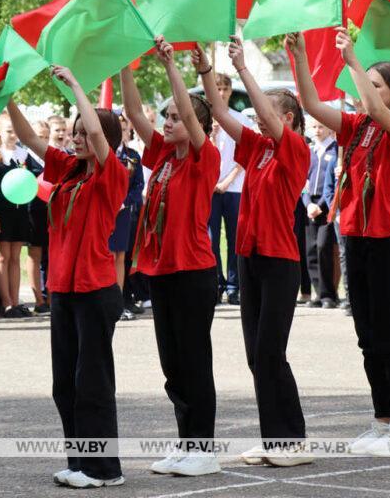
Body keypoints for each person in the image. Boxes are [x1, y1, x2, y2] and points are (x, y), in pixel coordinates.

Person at [288, 29, 390, 456]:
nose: (369, 90)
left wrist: (354, 61)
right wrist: (301, 57)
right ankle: (382, 421)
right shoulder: (358, 127)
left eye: (378, 85)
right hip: (358, 236)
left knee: (389, 333)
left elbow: (372, 106)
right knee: (366, 334)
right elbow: (310, 104)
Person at [6, 65, 127, 489]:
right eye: (71, 133)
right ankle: (80, 463)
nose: (74, 139)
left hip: (96, 291)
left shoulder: (113, 174)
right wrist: (6, 98)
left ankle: (104, 469)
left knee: (92, 383)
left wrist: (78, 85)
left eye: (80, 133)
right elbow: (29, 138)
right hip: (64, 291)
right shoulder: (69, 170)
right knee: (65, 384)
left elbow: (97, 134)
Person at [198, 38, 311, 467]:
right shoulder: (258, 148)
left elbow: (261, 112)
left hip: (280, 261)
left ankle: (292, 441)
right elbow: (222, 113)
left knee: (269, 353)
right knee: (255, 355)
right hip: (249, 257)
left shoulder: (294, 150)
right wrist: (208, 72)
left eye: (269, 115)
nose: (260, 120)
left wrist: (244, 68)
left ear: (286, 118)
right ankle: (274, 440)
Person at [121, 36, 221, 476]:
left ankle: (204, 448)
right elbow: (131, 111)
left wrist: (171, 67)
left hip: (194, 271)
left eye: (176, 117)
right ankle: (186, 444)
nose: (166, 121)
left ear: (196, 126)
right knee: (172, 364)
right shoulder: (161, 156)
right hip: (160, 269)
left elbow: (195, 113)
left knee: (195, 361)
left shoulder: (205, 156)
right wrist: (122, 62)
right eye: (165, 115)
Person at [0, 115, 42, 317]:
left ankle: (16, 302)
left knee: (15, 257)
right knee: (2, 257)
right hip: (0, 213)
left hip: (20, 212)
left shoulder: (23, 155)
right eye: (8, 130)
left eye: (15, 130)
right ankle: (5, 303)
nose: (13, 134)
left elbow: (37, 175)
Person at [208, 72, 251, 305]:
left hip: (234, 188)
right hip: (211, 189)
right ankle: (216, 282)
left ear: (230, 91)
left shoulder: (241, 119)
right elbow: (206, 157)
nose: (221, 93)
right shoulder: (204, 120)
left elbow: (245, 156)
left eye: (224, 89)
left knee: (235, 238)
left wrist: (227, 181)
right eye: (217, 89)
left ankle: (234, 286)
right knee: (211, 238)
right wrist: (212, 136)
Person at [110, 113, 144, 320]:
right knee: (105, 255)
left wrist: (124, 203)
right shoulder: (101, 153)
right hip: (103, 212)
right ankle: (103, 297)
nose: (122, 133)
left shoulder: (132, 156)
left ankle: (118, 301)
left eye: (124, 129)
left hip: (122, 213)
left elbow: (138, 185)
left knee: (120, 256)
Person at [303, 119, 339, 308]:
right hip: (310, 204)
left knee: (323, 247)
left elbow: (331, 184)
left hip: (326, 204)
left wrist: (321, 206)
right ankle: (318, 293)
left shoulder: (334, 150)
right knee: (311, 249)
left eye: (321, 126)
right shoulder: (310, 151)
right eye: (314, 127)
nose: (317, 130)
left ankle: (328, 294)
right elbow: (304, 181)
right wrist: (308, 204)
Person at [27, 120, 51, 314]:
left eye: (45, 136)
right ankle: (38, 300)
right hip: (32, 211)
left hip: (52, 211)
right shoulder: (25, 158)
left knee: (51, 255)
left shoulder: (52, 157)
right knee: (34, 254)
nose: (42, 140)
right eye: (39, 136)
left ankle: (52, 296)